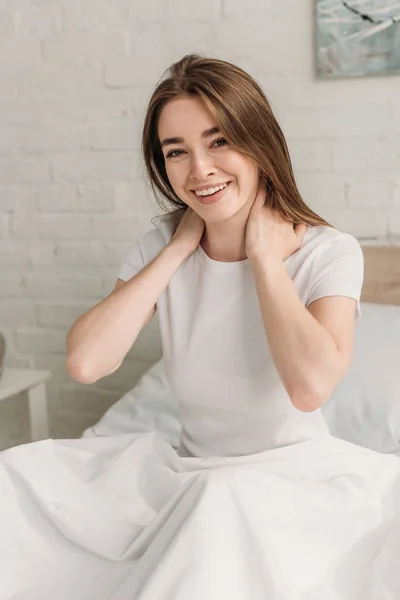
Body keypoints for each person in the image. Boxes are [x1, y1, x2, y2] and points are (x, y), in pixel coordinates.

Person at [1, 54, 400, 600]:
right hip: (187, 472)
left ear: (259, 142)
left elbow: (310, 387)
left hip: (291, 479)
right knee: (17, 476)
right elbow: (87, 362)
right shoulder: (162, 246)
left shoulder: (329, 253)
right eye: (176, 152)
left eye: (218, 142)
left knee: (219, 503)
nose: (200, 169)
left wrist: (263, 256)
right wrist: (180, 247)